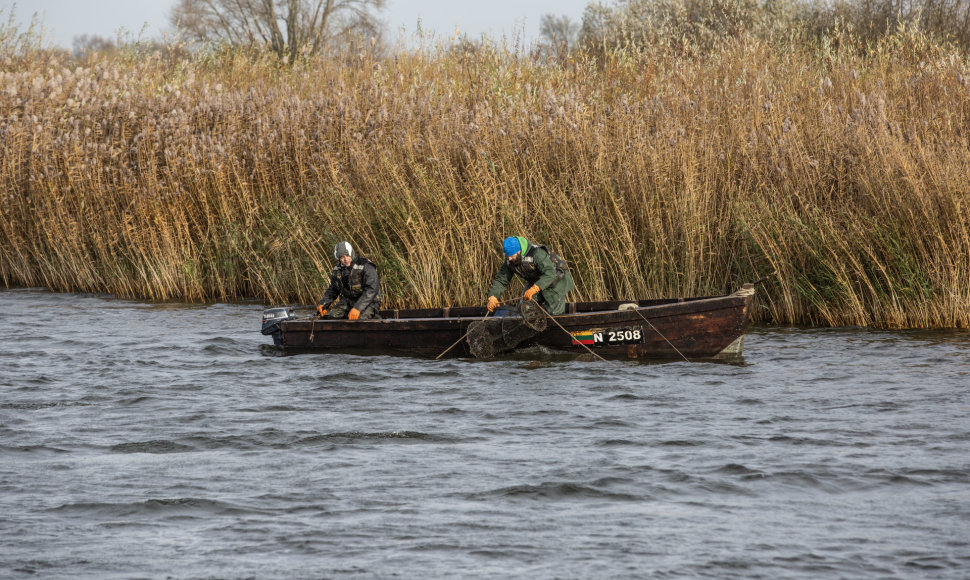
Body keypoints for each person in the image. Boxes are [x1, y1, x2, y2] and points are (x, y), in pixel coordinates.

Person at [486, 236, 575, 316]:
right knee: (525, 309)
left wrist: (535, 288)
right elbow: (501, 280)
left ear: (519, 251)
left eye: (511, 256)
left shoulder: (537, 253)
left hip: (555, 280)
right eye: (507, 256)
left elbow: (550, 273)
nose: (509, 259)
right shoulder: (510, 260)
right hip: (535, 281)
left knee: (554, 312)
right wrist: (493, 296)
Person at [317, 241, 382, 321]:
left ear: (352, 253)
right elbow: (333, 290)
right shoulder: (337, 270)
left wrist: (357, 308)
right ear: (338, 258)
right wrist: (323, 304)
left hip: (370, 302)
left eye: (347, 255)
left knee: (358, 320)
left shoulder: (366, 265)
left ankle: (374, 317)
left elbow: (372, 289)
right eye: (342, 257)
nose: (345, 259)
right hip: (349, 301)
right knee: (331, 317)